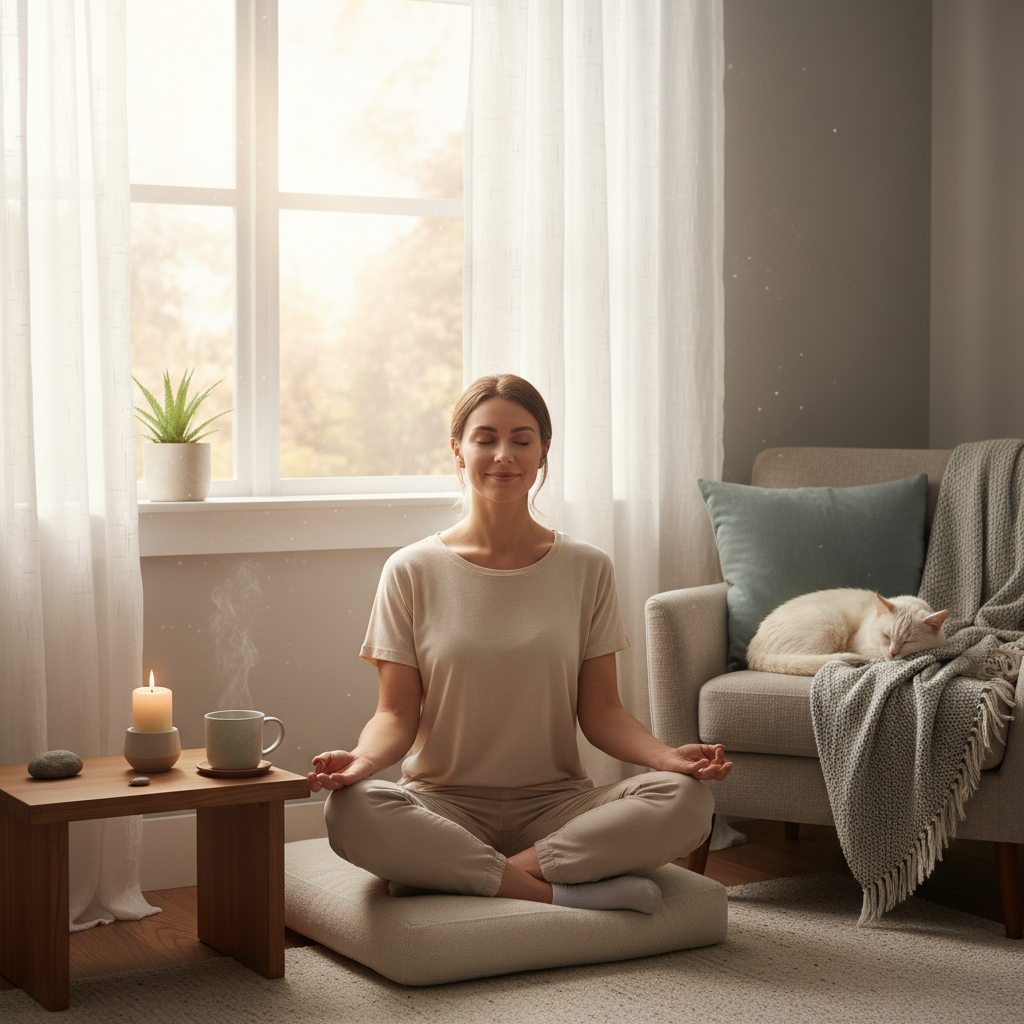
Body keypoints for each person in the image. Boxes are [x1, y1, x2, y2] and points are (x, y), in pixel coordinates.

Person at [308, 374, 732, 914]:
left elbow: (602, 712)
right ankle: (562, 891)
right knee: (351, 811)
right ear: (458, 450)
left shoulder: (587, 567)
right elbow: (395, 713)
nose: (503, 455)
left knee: (687, 801)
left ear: (543, 451)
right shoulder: (410, 570)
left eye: (521, 439)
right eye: (484, 438)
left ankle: (455, 873)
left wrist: (667, 758)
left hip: (557, 806)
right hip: (442, 805)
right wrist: (362, 763)